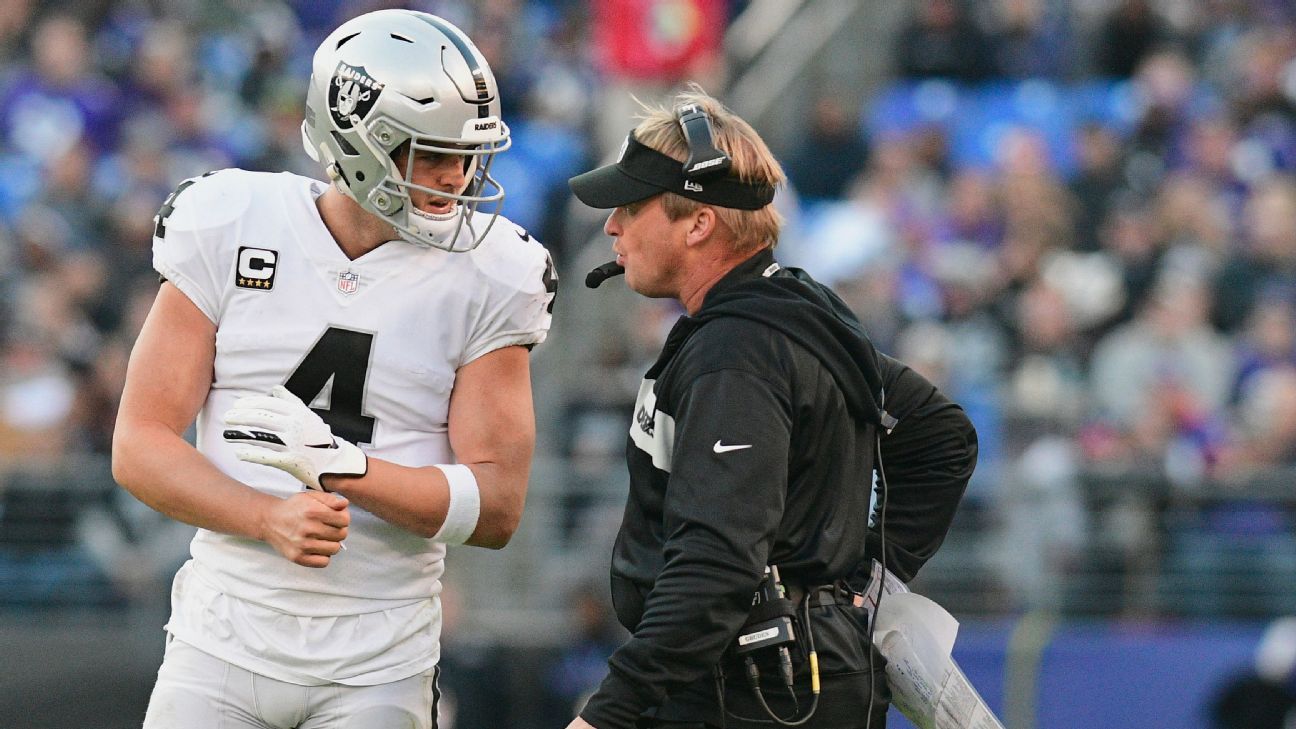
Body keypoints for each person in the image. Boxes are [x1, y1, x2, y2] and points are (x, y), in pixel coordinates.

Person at [110, 10, 556, 728]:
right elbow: (138, 444)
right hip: (223, 634)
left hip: (380, 654)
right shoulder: (229, 220)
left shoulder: (495, 271)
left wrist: (340, 469)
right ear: (360, 142)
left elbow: (498, 504)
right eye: (432, 153)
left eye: (468, 153)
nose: (460, 177)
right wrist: (265, 515)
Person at [565, 87, 977, 729]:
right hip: (788, 678)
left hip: (749, 692)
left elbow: (717, 561)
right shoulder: (791, 307)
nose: (613, 225)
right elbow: (941, 435)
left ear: (698, 221)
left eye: (632, 206)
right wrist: (853, 587)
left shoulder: (737, 350)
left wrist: (609, 712)